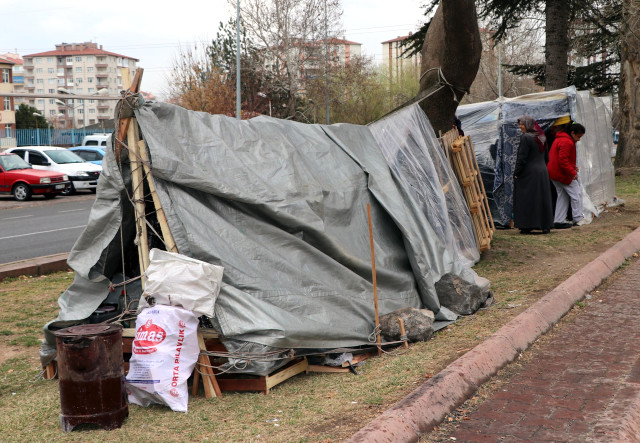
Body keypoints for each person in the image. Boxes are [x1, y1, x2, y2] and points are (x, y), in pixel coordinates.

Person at [513, 116, 554, 234]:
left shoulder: (525, 137)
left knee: (527, 199)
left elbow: (522, 158)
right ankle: (545, 225)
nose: (520, 126)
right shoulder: (542, 137)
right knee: (541, 199)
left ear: (528, 125)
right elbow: (546, 157)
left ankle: (527, 225)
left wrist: (517, 173)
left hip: (529, 173)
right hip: (542, 171)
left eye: (522, 124)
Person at [547, 123, 587, 228]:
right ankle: (578, 218)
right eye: (578, 137)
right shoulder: (567, 142)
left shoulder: (560, 139)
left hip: (553, 172)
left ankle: (559, 220)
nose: (578, 140)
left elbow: (561, 159)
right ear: (572, 133)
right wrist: (572, 172)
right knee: (576, 194)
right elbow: (563, 161)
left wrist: (572, 167)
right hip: (561, 173)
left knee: (563, 196)